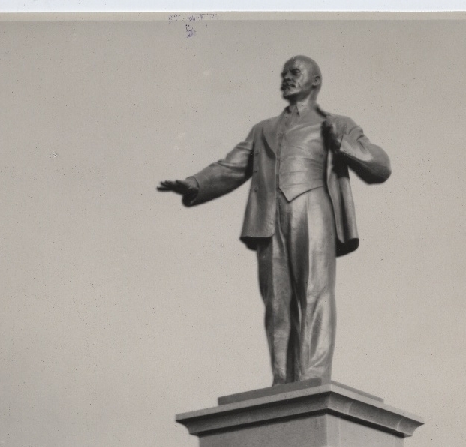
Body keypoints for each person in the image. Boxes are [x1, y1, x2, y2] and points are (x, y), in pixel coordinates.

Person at [158, 56, 390, 385]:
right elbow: (230, 167)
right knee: (276, 303)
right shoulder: (263, 129)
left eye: (294, 73)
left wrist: (345, 146)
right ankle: (282, 379)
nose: (286, 79)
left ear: (315, 81)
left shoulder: (335, 123)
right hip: (269, 218)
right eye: (282, 74)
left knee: (314, 293)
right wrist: (194, 184)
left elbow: (381, 166)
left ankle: (312, 379)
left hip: (313, 208)